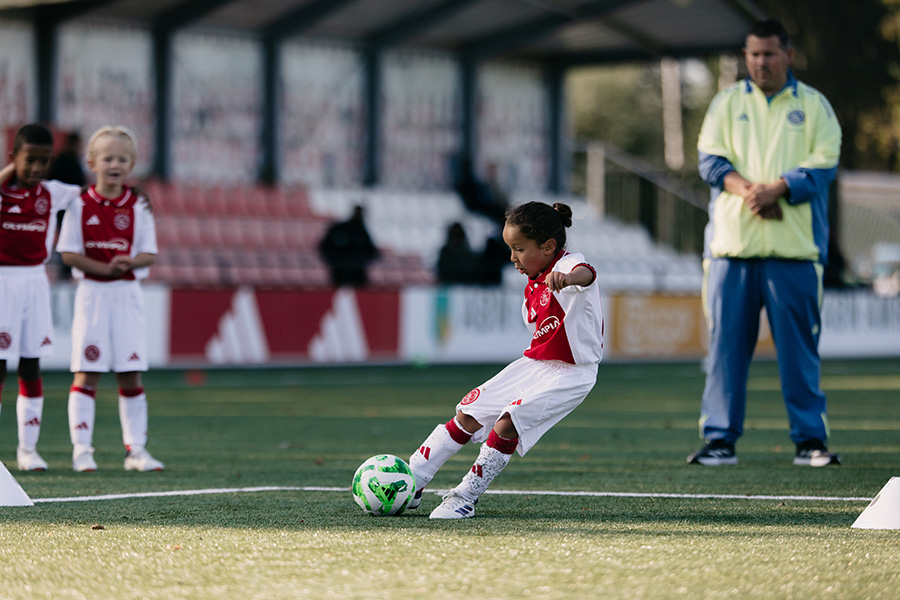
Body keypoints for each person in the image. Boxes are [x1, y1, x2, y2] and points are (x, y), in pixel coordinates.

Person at [688, 19, 843, 467]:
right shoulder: (725, 101)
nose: (760, 62)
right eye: (753, 54)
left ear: (788, 56)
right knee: (724, 350)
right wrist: (755, 193)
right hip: (729, 252)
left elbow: (823, 165)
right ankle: (720, 440)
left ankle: (810, 441)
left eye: (769, 54)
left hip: (795, 253)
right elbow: (710, 161)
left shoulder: (815, 106)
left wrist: (775, 189)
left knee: (799, 352)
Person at [406, 201, 604, 518]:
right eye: (510, 248)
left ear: (549, 246)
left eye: (519, 248)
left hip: (572, 374)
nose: (512, 257)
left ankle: (465, 496)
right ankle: (411, 479)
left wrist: (568, 280)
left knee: (508, 422)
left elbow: (586, 274)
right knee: (468, 413)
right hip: (534, 365)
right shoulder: (533, 284)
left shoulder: (566, 267)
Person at [56, 125, 164, 472]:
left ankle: (136, 450)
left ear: (131, 165)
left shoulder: (139, 205)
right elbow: (69, 254)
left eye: (121, 158)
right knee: (87, 373)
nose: (114, 164)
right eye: (107, 158)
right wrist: (104, 269)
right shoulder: (78, 204)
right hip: (93, 295)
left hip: (127, 295)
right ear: (92, 161)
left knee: (130, 374)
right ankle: (82, 450)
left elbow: (149, 252)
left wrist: (129, 263)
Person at [0, 123, 82, 471]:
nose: (36, 168)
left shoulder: (54, 193)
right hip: (2, 282)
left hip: (35, 282)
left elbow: (94, 196)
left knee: (31, 365)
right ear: (13, 157)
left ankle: (28, 450)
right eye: (28, 159)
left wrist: (135, 194)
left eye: (43, 161)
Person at [318, 204, 379, 287]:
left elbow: (372, 252)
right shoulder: (339, 229)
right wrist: (336, 261)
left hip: (358, 273)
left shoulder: (362, 232)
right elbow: (324, 248)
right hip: (339, 272)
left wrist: (361, 261)